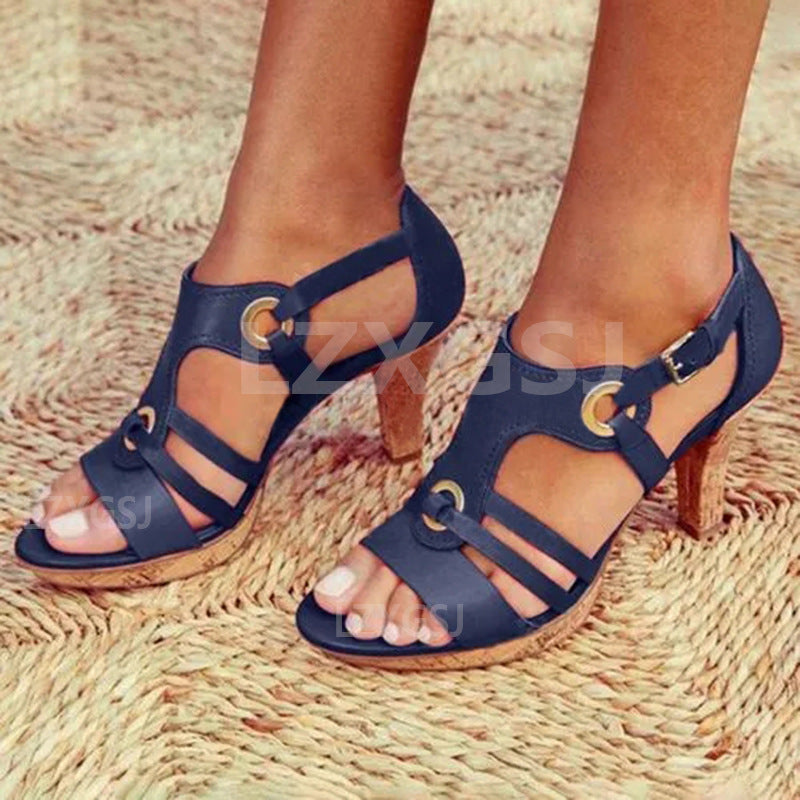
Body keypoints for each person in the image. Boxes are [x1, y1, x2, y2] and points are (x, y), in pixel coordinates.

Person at [19, 0, 782, 668]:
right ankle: (315, 214)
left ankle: (642, 299)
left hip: (650, 320)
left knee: (628, 256)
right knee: (303, 187)